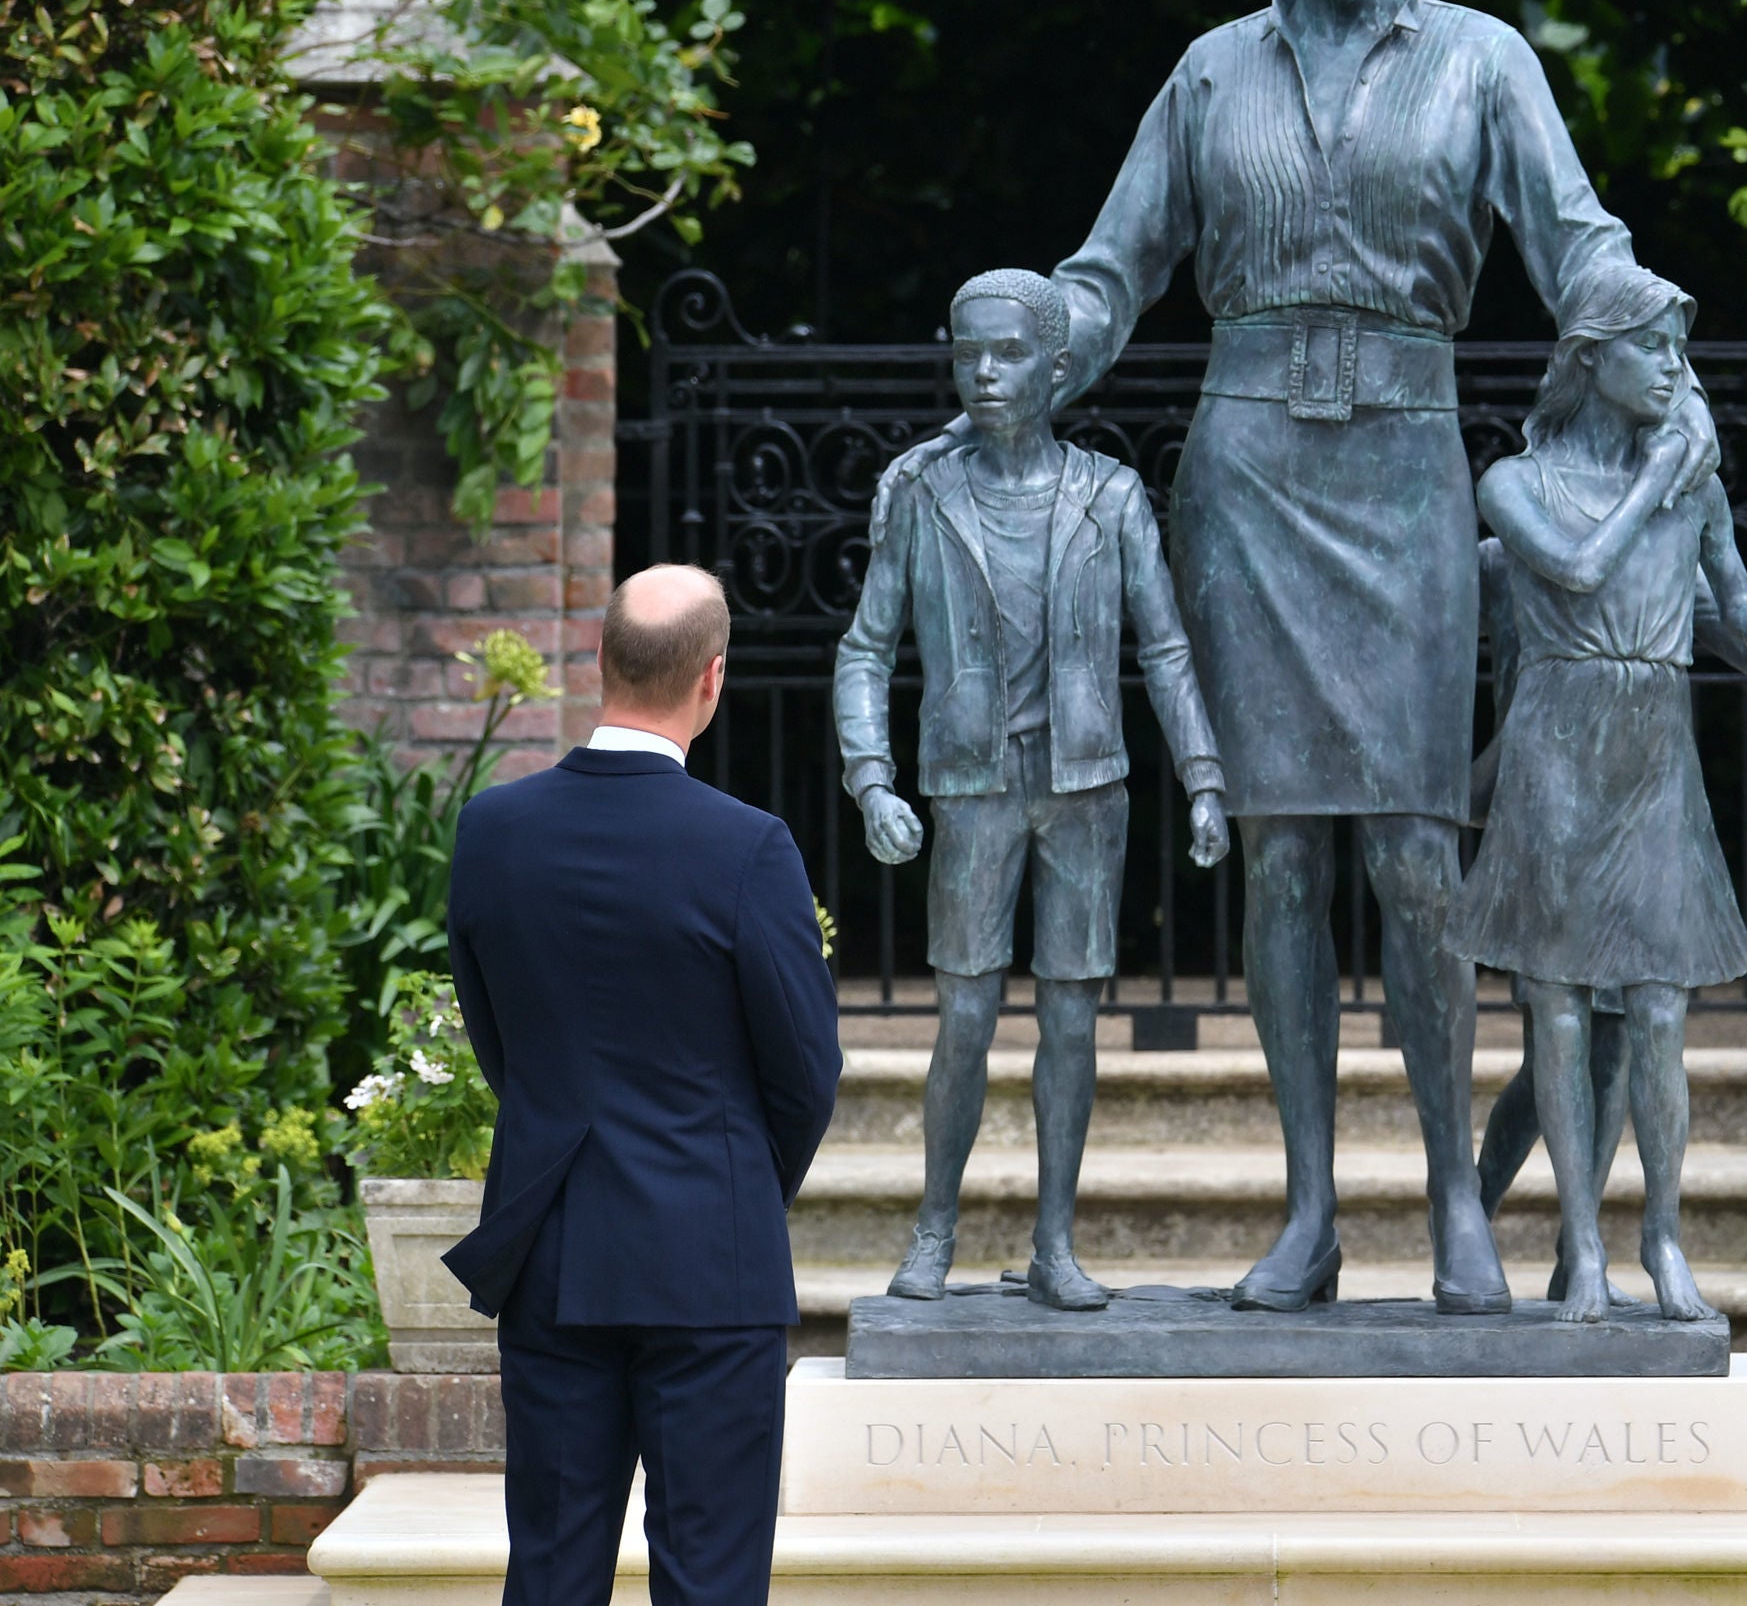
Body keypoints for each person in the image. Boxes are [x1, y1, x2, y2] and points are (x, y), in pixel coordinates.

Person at [1025, 0, 1719, 1315]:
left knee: (1416, 851)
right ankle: (1312, 1210)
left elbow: (1577, 241)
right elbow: (1113, 265)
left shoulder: (1483, 63)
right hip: (1251, 472)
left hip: (1406, 468)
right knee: (1279, 857)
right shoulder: (1210, 72)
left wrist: (1659, 355)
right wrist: (1033, 350)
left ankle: (1453, 1206)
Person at [1454, 266, 1747, 1323]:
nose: (1672, 366)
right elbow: (1574, 570)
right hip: (1557, 748)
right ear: (1589, 360)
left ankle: (1661, 1231)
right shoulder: (1516, 483)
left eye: (1678, 348)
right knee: (1558, 1009)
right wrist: (1662, 466)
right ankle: (1581, 1244)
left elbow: (1740, 615)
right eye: (1651, 347)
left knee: (1659, 1008)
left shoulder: (1693, 487)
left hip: (1652, 749)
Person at [442, 564, 845, 1606]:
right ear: (711, 680)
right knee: (711, 1579)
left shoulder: (492, 831)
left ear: (600, 661)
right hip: (711, 1257)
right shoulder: (748, 847)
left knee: (551, 1574)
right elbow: (805, 1071)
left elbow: (501, 1044)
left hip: (554, 1248)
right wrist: (737, 1182)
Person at [834, 268, 1231, 1309]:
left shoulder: (1108, 495)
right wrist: (871, 778)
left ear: (1058, 368)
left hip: (1087, 786)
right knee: (964, 1015)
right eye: (968, 353)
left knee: (1071, 1019)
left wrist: (1203, 776)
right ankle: (936, 1226)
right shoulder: (923, 494)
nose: (986, 373)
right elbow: (865, 649)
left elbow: (1169, 647)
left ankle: (1056, 1241)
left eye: (1008, 354)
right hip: (972, 786)